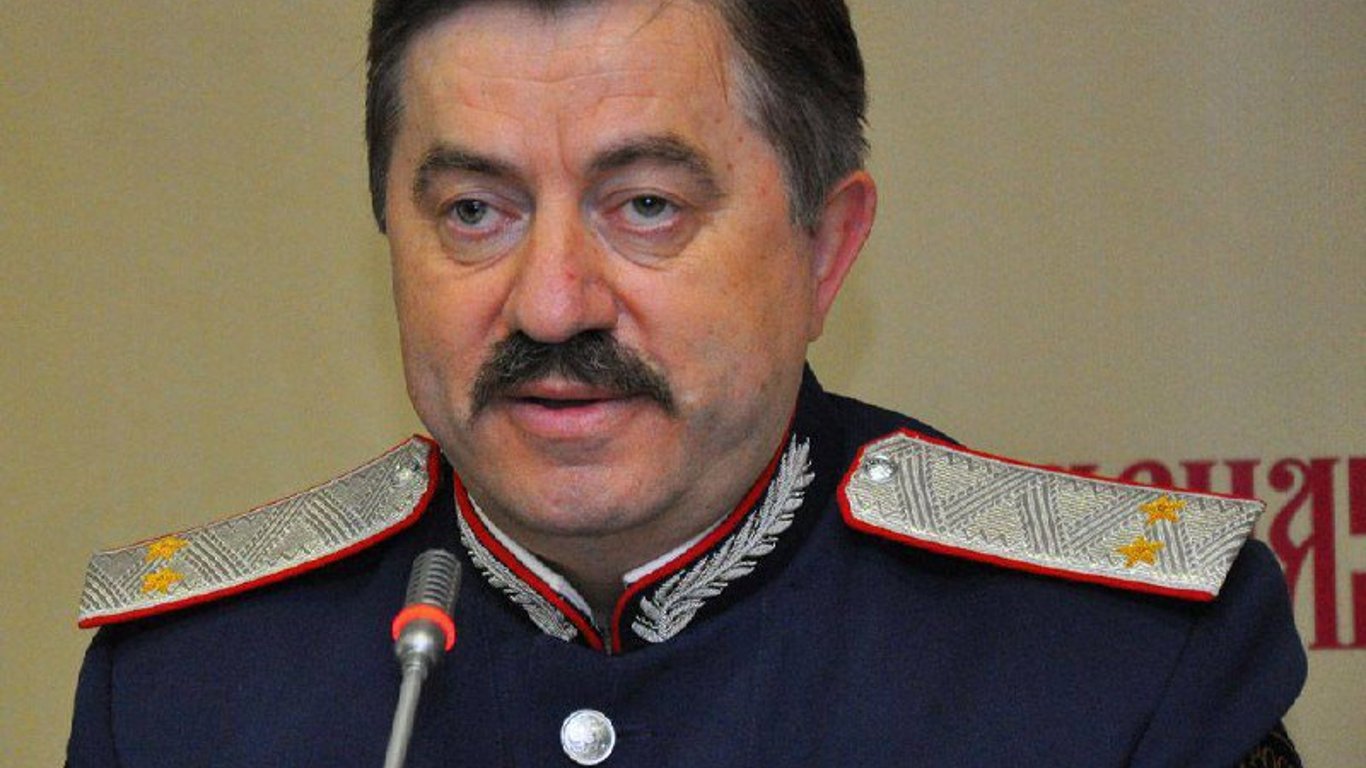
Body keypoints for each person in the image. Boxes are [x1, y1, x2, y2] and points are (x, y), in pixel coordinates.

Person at [67, 1, 1306, 765]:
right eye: (475, 210)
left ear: (825, 250)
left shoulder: (1117, 665)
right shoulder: (186, 692)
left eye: (647, 206)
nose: (552, 304)